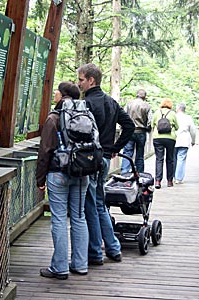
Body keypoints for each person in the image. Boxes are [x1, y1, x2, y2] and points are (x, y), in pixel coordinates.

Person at [77, 63, 135, 265]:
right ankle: (113, 248)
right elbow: (129, 125)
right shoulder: (111, 102)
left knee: (90, 205)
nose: (79, 84)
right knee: (99, 203)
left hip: (90, 159)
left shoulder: (86, 104)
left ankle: (94, 252)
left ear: (91, 80)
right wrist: (115, 148)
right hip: (104, 159)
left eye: (81, 79)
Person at [36, 81, 89, 280]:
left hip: (58, 173)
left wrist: (40, 179)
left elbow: (45, 151)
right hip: (82, 172)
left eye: (57, 92)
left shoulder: (55, 117)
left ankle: (59, 268)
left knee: (58, 218)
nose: (55, 95)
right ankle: (80, 264)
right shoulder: (85, 114)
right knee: (79, 217)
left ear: (62, 95)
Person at [121, 89, 152, 174]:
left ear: (136, 95)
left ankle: (124, 172)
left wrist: (123, 128)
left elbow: (123, 116)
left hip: (129, 132)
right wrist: (147, 129)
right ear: (144, 97)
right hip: (141, 132)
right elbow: (149, 121)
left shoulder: (129, 104)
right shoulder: (147, 106)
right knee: (140, 154)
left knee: (127, 152)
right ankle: (139, 173)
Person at [152, 98, 179, 189]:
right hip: (170, 138)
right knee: (170, 159)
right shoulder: (172, 113)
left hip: (158, 138)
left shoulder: (156, 112)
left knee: (159, 159)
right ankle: (170, 181)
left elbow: (152, 125)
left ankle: (158, 181)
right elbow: (177, 127)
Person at [174, 103, 196, 184]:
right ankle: (178, 178)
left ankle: (173, 176)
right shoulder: (188, 118)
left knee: (173, 158)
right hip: (184, 140)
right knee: (181, 158)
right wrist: (193, 140)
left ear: (178, 108)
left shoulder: (174, 116)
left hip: (174, 138)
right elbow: (193, 130)